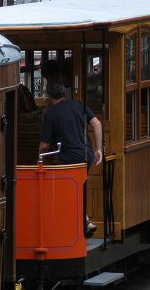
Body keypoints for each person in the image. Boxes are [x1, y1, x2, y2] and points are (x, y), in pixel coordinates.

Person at [39, 80, 104, 237]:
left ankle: (78, 224)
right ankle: (84, 221)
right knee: (77, 189)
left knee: (69, 192)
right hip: (86, 154)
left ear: (49, 96)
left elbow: (44, 146)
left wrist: (38, 160)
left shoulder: (50, 114)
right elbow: (97, 124)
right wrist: (98, 149)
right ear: (64, 93)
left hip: (68, 158)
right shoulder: (78, 105)